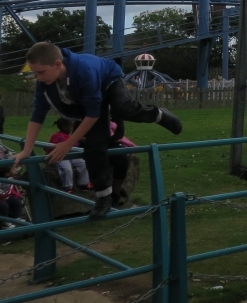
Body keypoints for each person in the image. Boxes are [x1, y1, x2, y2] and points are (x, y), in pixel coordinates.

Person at [12, 42, 182, 220]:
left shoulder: (84, 70)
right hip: (90, 99)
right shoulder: (45, 83)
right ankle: (103, 197)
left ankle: (159, 115)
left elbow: (92, 114)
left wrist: (68, 144)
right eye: (35, 72)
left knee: (123, 108)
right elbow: (38, 114)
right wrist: (26, 149)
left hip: (108, 79)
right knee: (93, 146)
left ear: (57, 64)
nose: (38, 77)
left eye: (41, 72)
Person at [48, 118, 90, 193]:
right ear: (64, 127)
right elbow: (69, 146)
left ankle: (83, 183)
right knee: (66, 169)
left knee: (84, 163)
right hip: (60, 157)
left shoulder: (67, 136)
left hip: (69, 156)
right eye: (70, 127)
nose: (71, 128)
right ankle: (67, 187)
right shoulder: (58, 136)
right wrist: (79, 140)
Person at [0, 145, 26, 229]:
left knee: (16, 202)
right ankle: (3, 223)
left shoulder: (2, 147)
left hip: (5, 193)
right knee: (4, 206)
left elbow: (8, 154)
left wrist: (15, 162)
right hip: (2, 195)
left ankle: (15, 218)